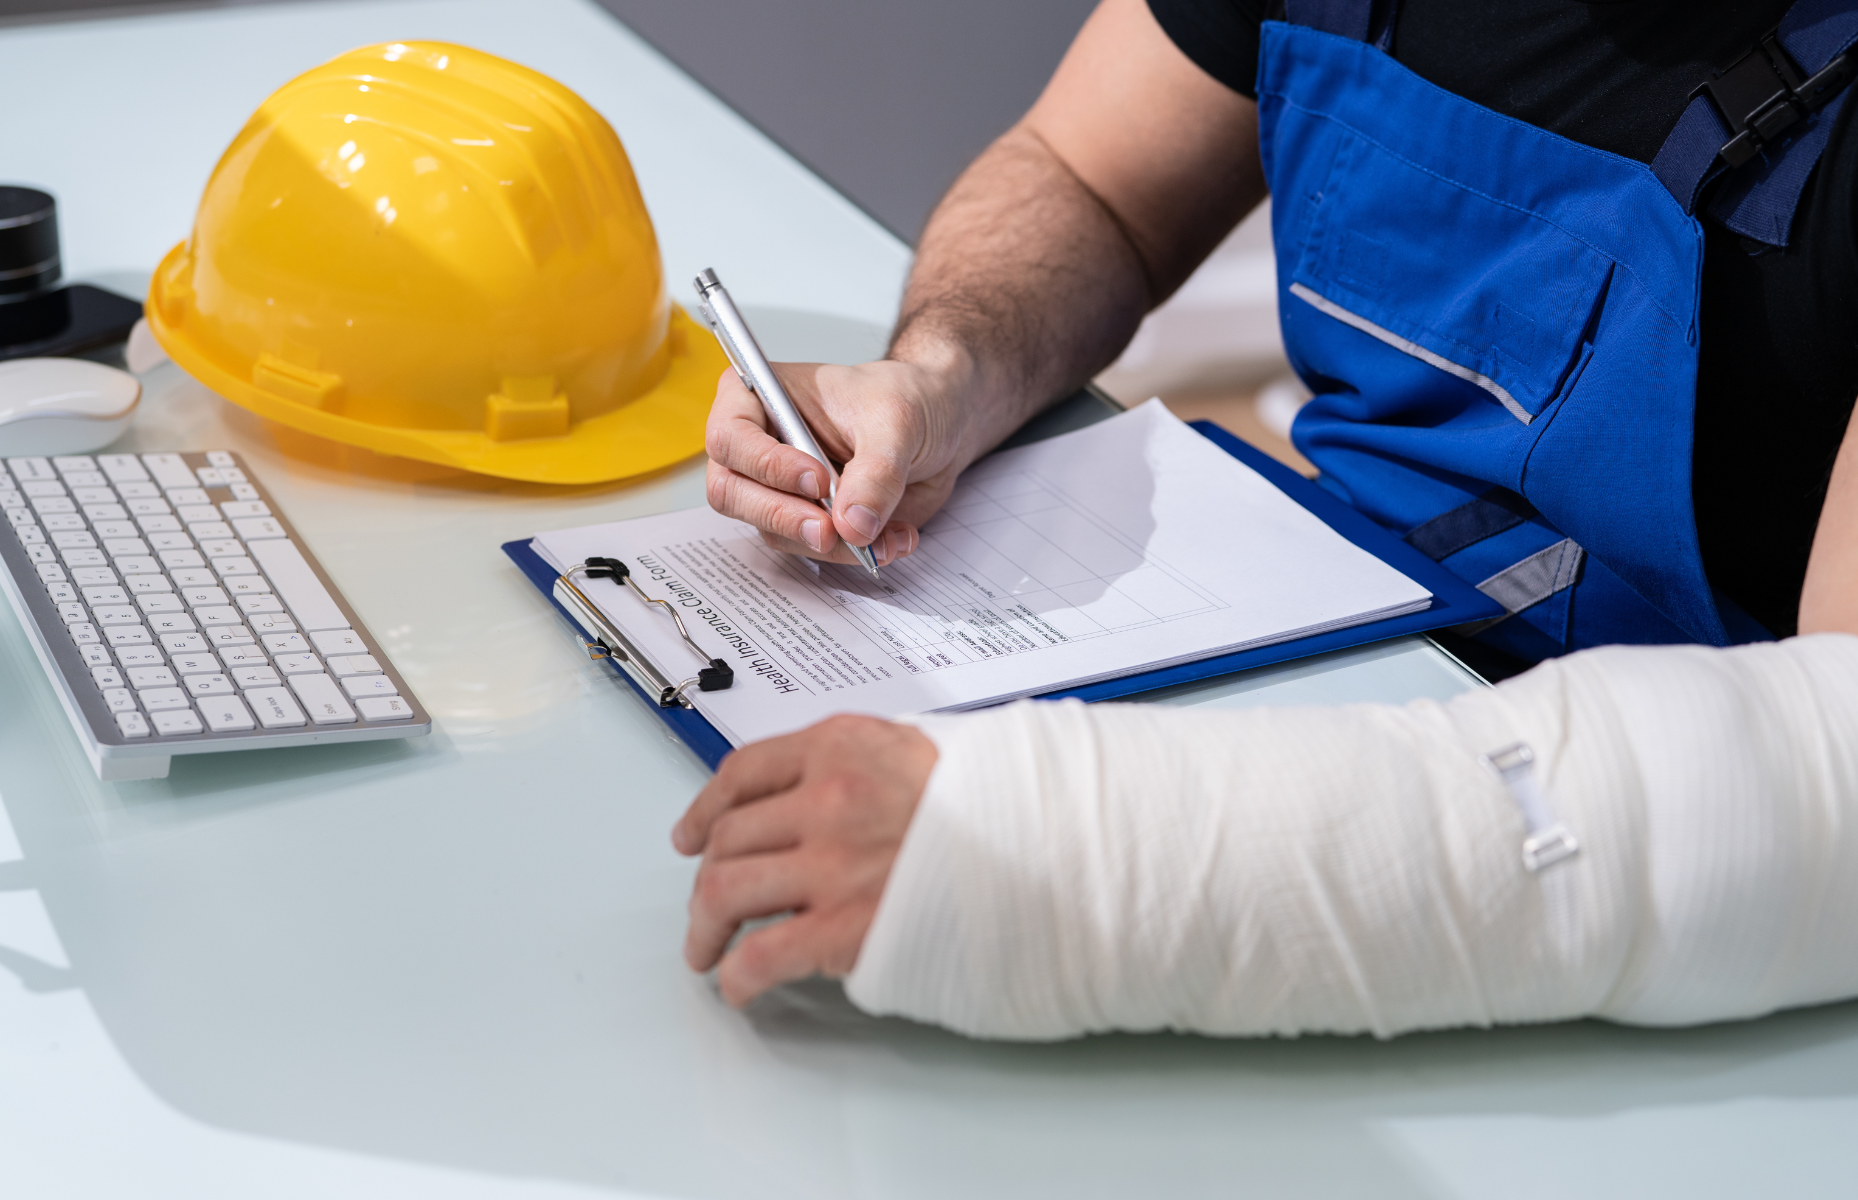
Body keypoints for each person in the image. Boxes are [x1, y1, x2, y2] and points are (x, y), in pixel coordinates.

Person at [672, 0, 1858, 1039]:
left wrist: (1045, 858)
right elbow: (1087, 180)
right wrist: (942, 375)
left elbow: (1833, 771)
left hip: (1640, 865)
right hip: (1307, 653)